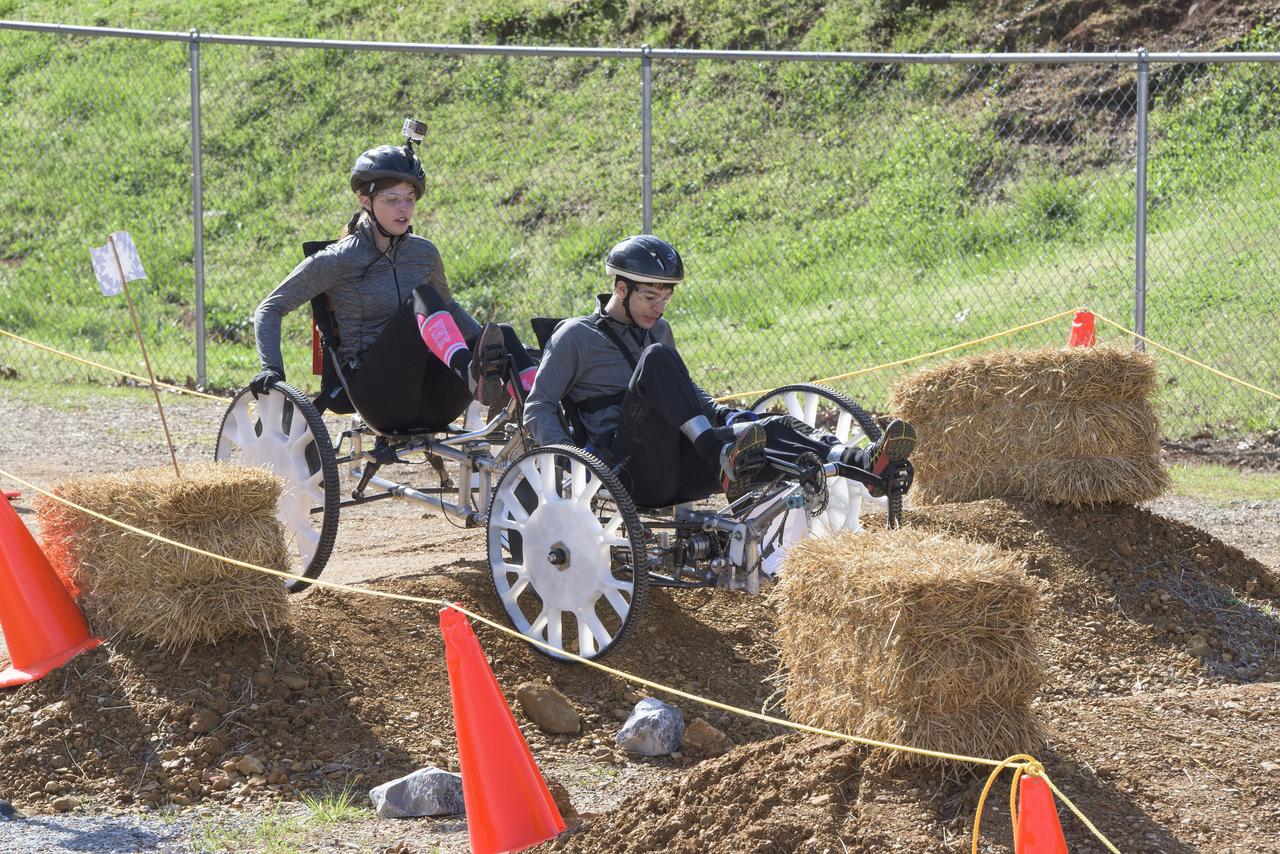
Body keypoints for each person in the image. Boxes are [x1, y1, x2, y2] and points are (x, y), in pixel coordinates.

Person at [523, 234, 917, 507]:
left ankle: (862, 464)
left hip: (681, 468)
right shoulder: (575, 336)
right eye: (649, 296)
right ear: (620, 289)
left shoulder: (657, 329)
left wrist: (729, 418)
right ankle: (717, 451)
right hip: (627, 473)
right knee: (658, 359)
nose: (659, 308)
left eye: (666, 297)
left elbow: (685, 394)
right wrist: (576, 463)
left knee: (767, 429)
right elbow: (538, 406)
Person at [250, 127, 537, 432]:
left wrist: (483, 346)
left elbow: (449, 309)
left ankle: (542, 416)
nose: (403, 208)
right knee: (421, 299)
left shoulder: (424, 253)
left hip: (433, 401)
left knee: (501, 336)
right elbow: (269, 308)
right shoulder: (337, 259)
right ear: (365, 200)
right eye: (392, 200)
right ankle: (469, 370)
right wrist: (272, 369)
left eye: (410, 199)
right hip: (377, 397)